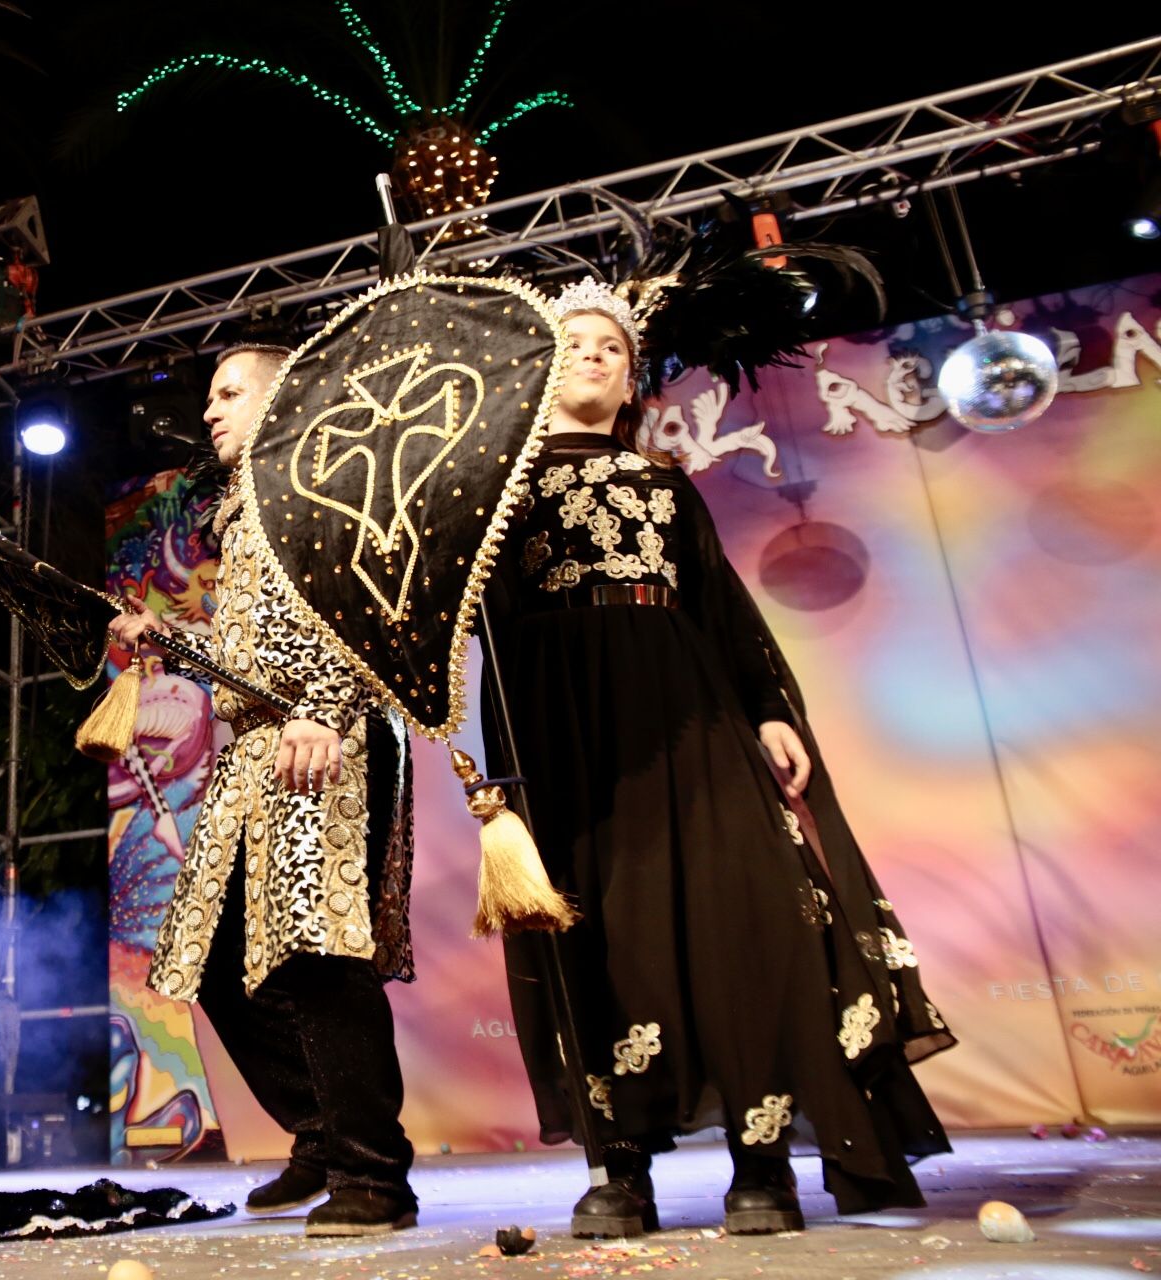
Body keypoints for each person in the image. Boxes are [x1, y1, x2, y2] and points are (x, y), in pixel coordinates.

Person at [480, 280, 956, 1238]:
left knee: (740, 919)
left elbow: (722, 612)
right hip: (556, 728)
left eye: (611, 349)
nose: (592, 355)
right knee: (592, 932)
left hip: (688, 713)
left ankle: (762, 1161)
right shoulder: (487, 496)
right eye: (571, 343)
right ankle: (618, 1170)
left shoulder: (665, 486)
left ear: (632, 386)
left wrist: (771, 709)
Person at [109, 344, 419, 1236]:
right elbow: (261, 639)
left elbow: (374, 600)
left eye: (230, 392)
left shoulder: (327, 475)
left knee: (321, 954)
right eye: (210, 395)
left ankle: (374, 1172)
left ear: (288, 401)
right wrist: (170, 636)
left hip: (323, 738)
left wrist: (324, 706)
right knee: (207, 959)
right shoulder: (244, 508)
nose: (210, 411)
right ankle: (321, 1131)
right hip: (252, 748)